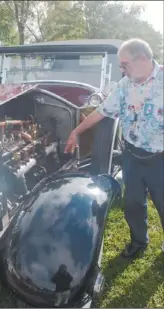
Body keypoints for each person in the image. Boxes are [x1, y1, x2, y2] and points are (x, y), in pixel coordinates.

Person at [64, 38, 164, 258]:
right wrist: (76, 131)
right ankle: (139, 241)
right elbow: (102, 111)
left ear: (143, 59)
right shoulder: (124, 85)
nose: (121, 70)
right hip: (132, 156)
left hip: (160, 158)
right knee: (133, 203)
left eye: (124, 64)